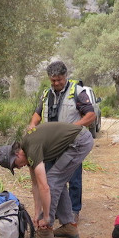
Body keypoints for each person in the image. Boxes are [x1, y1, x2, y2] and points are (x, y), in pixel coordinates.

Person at [0, 122, 94, 238]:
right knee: (57, 181)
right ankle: (69, 225)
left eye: (15, 164)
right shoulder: (28, 150)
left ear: (17, 154)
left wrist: (46, 217)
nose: (19, 167)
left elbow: (45, 187)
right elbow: (36, 185)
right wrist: (37, 213)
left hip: (79, 141)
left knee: (53, 181)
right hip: (75, 141)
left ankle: (45, 230)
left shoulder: (32, 148)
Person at [27, 61, 95, 223]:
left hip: (72, 144)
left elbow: (91, 115)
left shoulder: (78, 92)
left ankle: (73, 211)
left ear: (65, 76)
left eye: (59, 79)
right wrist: (32, 126)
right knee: (52, 178)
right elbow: (38, 113)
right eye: (53, 80)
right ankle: (55, 210)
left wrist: (71, 128)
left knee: (74, 178)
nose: (56, 83)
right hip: (50, 146)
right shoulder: (45, 94)